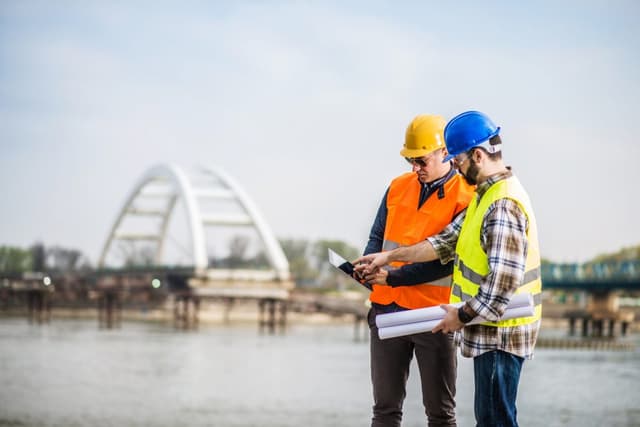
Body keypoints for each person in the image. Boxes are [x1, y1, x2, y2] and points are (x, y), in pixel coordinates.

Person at [355, 111, 542, 427]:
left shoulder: (500, 204)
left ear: (477, 155)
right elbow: (443, 243)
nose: (456, 165)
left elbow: (500, 285)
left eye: (457, 159)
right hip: (482, 326)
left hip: (495, 328)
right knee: (489, 418)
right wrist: (385, 258)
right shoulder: (486, 196)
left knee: (491, 419)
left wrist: (462, 315)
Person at [361, 114, 475, 427]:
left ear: (445, 153)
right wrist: (367, 265)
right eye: (411, 160)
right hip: (386, 308)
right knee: (385, 411)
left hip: (434, 316)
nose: (415, 168)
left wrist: (394, 276)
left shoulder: (466, 195)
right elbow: (377, 237)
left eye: (421, 160)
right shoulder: (398, 187)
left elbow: (447, 259)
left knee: (440, 414)